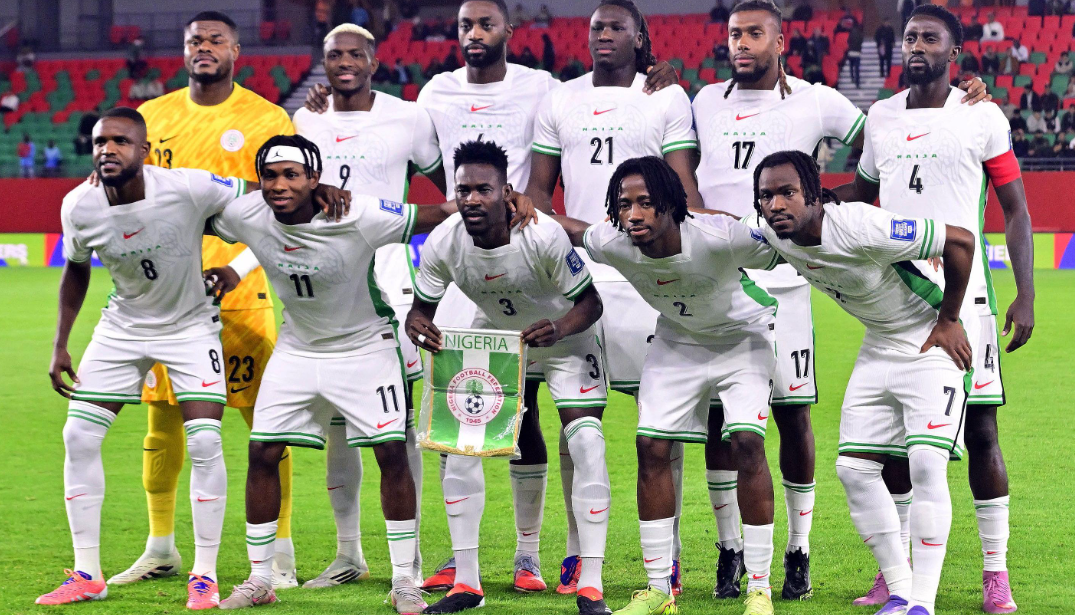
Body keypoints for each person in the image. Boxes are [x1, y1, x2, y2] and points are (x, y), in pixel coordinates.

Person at [303, 0, 678, 596]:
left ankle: (547, 558)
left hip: (537, 257)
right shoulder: (433, 96)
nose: (474, 34)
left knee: (567, 425)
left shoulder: (545, 89)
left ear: (509, 31)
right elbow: (400, 140)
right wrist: (329, 112)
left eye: (485, 23)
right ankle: (460, 568)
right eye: (464, 26)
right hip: (472, 276)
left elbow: (579, 126)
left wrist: (652, 77)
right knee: (460, 424)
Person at [204, 135, 515, 612]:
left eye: (292, 175)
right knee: (262, 451)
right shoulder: (247, 214)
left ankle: (404, 579)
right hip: (297, 349)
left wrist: (508, 201)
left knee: (392, 453)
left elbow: (433, 214)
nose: (279, 185)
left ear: (314, 179)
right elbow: (190, 204)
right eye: (270, 176)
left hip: (364, 348)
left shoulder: (357, 214)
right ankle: (260, 578)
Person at [837, 6, 1034, 613]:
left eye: (930, 37)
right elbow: (862, 196)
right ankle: (896, 573)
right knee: (894, 443)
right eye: (910, 37)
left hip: (966, 299)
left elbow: (1017, 209)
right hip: (897, 304)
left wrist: (1026, 294)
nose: (916, 45)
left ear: (955, 51)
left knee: (981, 431)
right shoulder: (881, 117)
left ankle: (994, 573)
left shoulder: (981, 114)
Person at [110, 10, 302, 593]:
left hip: (242, 295)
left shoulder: (267, 118)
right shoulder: (151, 117)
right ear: (183, 49)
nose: (204, 47)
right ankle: (161, 547)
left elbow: (283, 209)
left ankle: (282, 553)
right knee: (163, 420)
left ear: (236, 49)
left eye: (216, 39)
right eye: (195, 39)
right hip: (165, 302)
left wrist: (240, 268)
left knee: (264, 425)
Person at [754, 149, 979, 615]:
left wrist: (950, 318)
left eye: (787, 193)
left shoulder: (858, 225)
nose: (775, 205)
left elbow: (959, 241)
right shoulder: (778, 235)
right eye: (766, 196)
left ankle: (923, 603)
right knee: (853, 470)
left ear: (814, 195)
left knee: (926, 465)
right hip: (879, 344)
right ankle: (900, 589)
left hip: (931, 338)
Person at [553, 157, 781, 615]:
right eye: (623, 205)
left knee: (747, 445)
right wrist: (525, 210)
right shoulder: (613, 240)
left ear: (672, 205)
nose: (633, 215)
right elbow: (574, 230)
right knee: (650, 447)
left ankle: (759, 589)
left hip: (743, 338)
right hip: (677, 342)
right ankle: (659, 590)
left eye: (645, 203)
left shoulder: (721, 236)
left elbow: (784, 244)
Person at [527, 0, 702, 596]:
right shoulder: (559, 98)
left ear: (640, 37)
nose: (603, 34)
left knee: (663, 425)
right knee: (579, 422)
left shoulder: (666, 97)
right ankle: (578, 553)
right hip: (583, 277)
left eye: (615, 27)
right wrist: (581, 237)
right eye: (595, 27)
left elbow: (682, 190)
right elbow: (538, 192)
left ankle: (669, 557)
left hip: (649, 282)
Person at [37, 107, 243, 608]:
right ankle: (87, 572)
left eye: (121, 141)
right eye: (100, 141)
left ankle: (205, 574)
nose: (108, 149)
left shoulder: (187, 187)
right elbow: (77, 269)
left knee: (204, 441)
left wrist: (241, 264)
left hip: (191, 325)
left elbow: (262, 203)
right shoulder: (78, 205)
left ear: (144, 151)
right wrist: (61, 343)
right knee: (78, 434)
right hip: (123, 327)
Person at [407, 140, 611, 615]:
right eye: (464, 191)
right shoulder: (444, 241)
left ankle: (592, 583)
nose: (472, 199)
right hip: (496, 339)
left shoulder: (541, 234)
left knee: (586, 442)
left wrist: (558, 328)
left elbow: (592, 303)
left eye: (484, 189)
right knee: (459, 450)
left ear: (506, 192)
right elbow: (420, 312)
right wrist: (417, 326)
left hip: (565, 339)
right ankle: (468, 584)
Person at [291, 23, 444, 589]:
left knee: (398, 424)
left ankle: (412, 561)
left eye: (356, 54)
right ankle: (348, 552)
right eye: (335, 55)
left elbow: (444, 182)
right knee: (336, 422)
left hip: (389, 275)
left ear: (375, 61)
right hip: (324, 281)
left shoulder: (408, 117)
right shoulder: (304, 120)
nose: (345, 63)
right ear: (323, 63)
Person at [845, 23, 864, 88]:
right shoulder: (860, 35)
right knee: (857, 69)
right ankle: (857, 83)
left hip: (851, 53)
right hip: (857, 53)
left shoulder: (851, 34)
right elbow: (861, 42)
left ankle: (852, 77)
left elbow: (848, 41)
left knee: (851, 67)